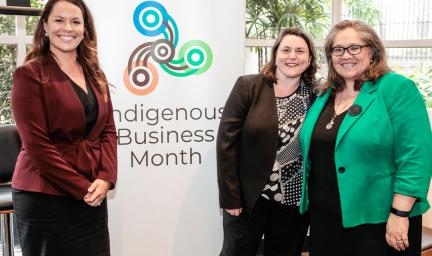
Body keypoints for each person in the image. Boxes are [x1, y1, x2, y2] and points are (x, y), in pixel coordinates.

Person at [299, 20, 432, 256]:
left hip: (379, 219)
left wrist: (400, 214)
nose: (345, 55)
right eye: (337, 49)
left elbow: (416, 157)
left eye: (354, 47)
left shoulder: (396, 88)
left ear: (372, 51)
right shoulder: (325, 94)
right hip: (325, 219)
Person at [11, 0, 117, 255]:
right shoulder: (29, 74)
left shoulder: (95, 73)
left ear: (85, 29)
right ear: (45, 25)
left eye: (75, 21)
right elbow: (37, 146)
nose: (67, 27)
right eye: (59, 20)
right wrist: (82, 188)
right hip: (45, 195)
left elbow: (108, 130)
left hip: (92, 194)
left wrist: (105, 177)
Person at [217, 27, 318, 256]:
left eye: (300, 51)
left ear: (310, 58)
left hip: (294, 199)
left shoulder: (317, 94)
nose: (293, 56)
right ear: (276, 54)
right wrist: (231, 197)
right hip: (248, 198)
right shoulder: (248, 87)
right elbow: (226, 145)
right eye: (286, 50)